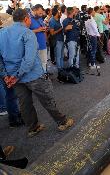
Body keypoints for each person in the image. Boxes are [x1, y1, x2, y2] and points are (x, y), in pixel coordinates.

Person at [0, 9, 74, 137]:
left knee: (25, 104)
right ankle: (62, 121)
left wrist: (6, 75)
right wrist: (15, 75)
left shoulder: (2, 32)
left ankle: (33, 128)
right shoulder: (28, 33)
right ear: (26, 19)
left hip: (14, 78)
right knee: (47, 100)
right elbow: (28, 61)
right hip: (32, 76)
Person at [29, 4, 48, 72]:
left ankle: (44, 75)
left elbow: (42, 28)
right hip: (34, 46)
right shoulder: (28, 18)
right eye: (40, 13)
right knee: (35, 64)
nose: (41, 14)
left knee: (44, 62)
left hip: (43, 44)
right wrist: (38, 30)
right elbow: (25, 32)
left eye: (42, 13)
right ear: (34, 10)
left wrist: (44, 29)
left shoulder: (39, 17)